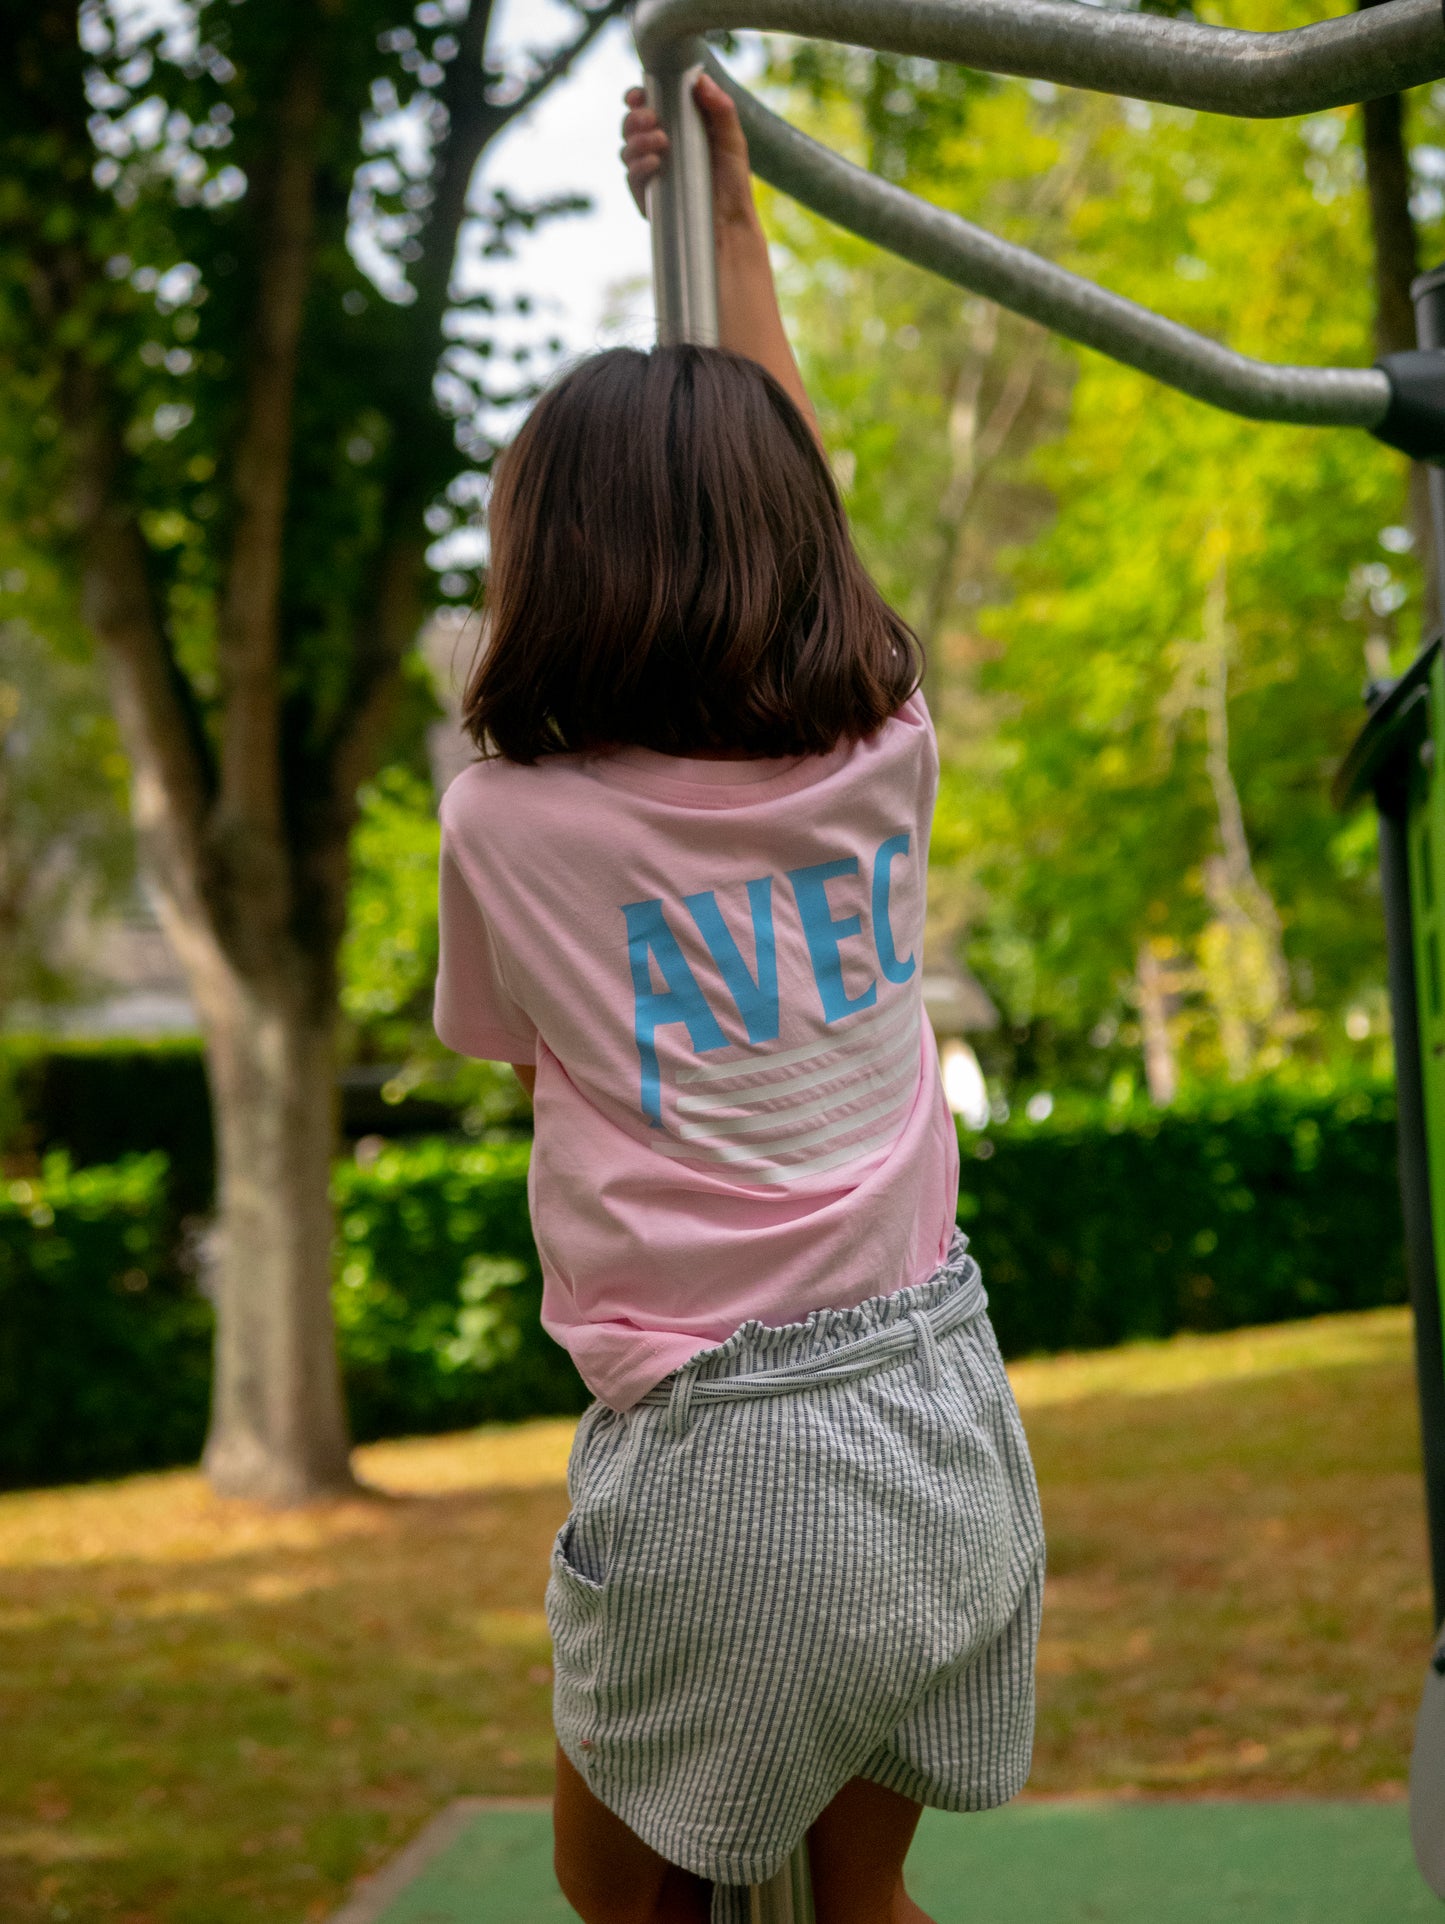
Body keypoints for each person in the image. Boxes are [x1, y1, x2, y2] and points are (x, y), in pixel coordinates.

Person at [432, 71, 1045, 1924]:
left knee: (621, 1905)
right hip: (944, 1412)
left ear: (552, 565)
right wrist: (735, 238)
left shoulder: (510, 826)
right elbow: (800, 499)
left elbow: (503, 1043)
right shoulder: (889, 750)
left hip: (721, 1465)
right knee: (859, 1911)